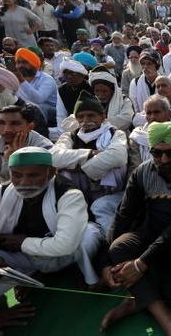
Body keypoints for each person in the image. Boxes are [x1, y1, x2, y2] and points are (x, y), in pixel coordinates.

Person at [100, 122, 171, 336]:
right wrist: (106, 261)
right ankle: (167, 317)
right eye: (156, 153)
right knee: (118, 248)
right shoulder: (142, 172)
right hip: (151, 234)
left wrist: (140, 264)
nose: (163, 160)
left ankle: (135, 300)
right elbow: (123, 215)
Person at [0, 146, 103, 297]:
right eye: (17, 175)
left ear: (51, 172)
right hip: (16, 257)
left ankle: (78, 269)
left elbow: (65, 245)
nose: (24, 182)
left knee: (88, 236)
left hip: (61, 257)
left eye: (33, 175)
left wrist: (23, 243)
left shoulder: (69, 195)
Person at [51, 90, 127, 234]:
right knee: (62, 172)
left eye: (91, 115)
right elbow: (54, 157)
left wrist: (78, 166)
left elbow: (118, 156)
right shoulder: (71, 136)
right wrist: (89, 153)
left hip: (108, 190)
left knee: (116, 166)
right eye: (81, 116)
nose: (86, 119)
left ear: (103, 117)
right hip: (79, 187)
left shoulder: (115, 134)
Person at [0, 105, 52, 195]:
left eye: (15, 123)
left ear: (30, 126)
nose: (7, 129)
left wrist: (16, 159)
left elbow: (37, 186)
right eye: (1, 123)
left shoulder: (44, 148)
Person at [14, 48, 58, 126]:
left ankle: (39, 131)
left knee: (40, 107)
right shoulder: (15, 80)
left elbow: (39, 100)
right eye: (18, 62)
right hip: (27, 110)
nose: (20, 66)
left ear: (33, 64)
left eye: (24, 62)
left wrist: (22, 81)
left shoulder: (46, 79)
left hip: (52, 112)